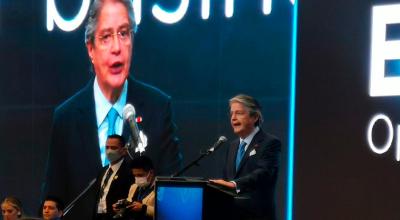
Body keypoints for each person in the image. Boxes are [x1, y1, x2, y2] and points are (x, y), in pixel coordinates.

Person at [43, 0, 181, 219]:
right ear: (90, 48)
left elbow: (172, 192)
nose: (117, 47)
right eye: (106, 37)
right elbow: (53, 196)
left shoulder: (158, 107)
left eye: (124, 33)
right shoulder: (66, 117)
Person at [210, 94, 281, 220]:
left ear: (254, 117)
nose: (233, 118)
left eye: (239, 113)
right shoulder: (232, 146)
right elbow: (226, 180)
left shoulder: (270, 143)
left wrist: (234, 184)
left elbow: (264, 173)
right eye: (231, 114)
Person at [94, 135, 133, 220]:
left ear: (123, 150)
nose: (109, 151)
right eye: (107, 147)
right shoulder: (102, 171)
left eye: (113, 148)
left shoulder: (129, 171)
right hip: (99, 215)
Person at [112, 156, 155, 220]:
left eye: (140, 175)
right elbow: (129, 204)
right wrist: (121, 207)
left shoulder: (161, 189)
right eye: (135, 175)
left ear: (151, 173)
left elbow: (164, 213)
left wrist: (144, 208)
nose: (137, 178)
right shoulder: (134, 187)